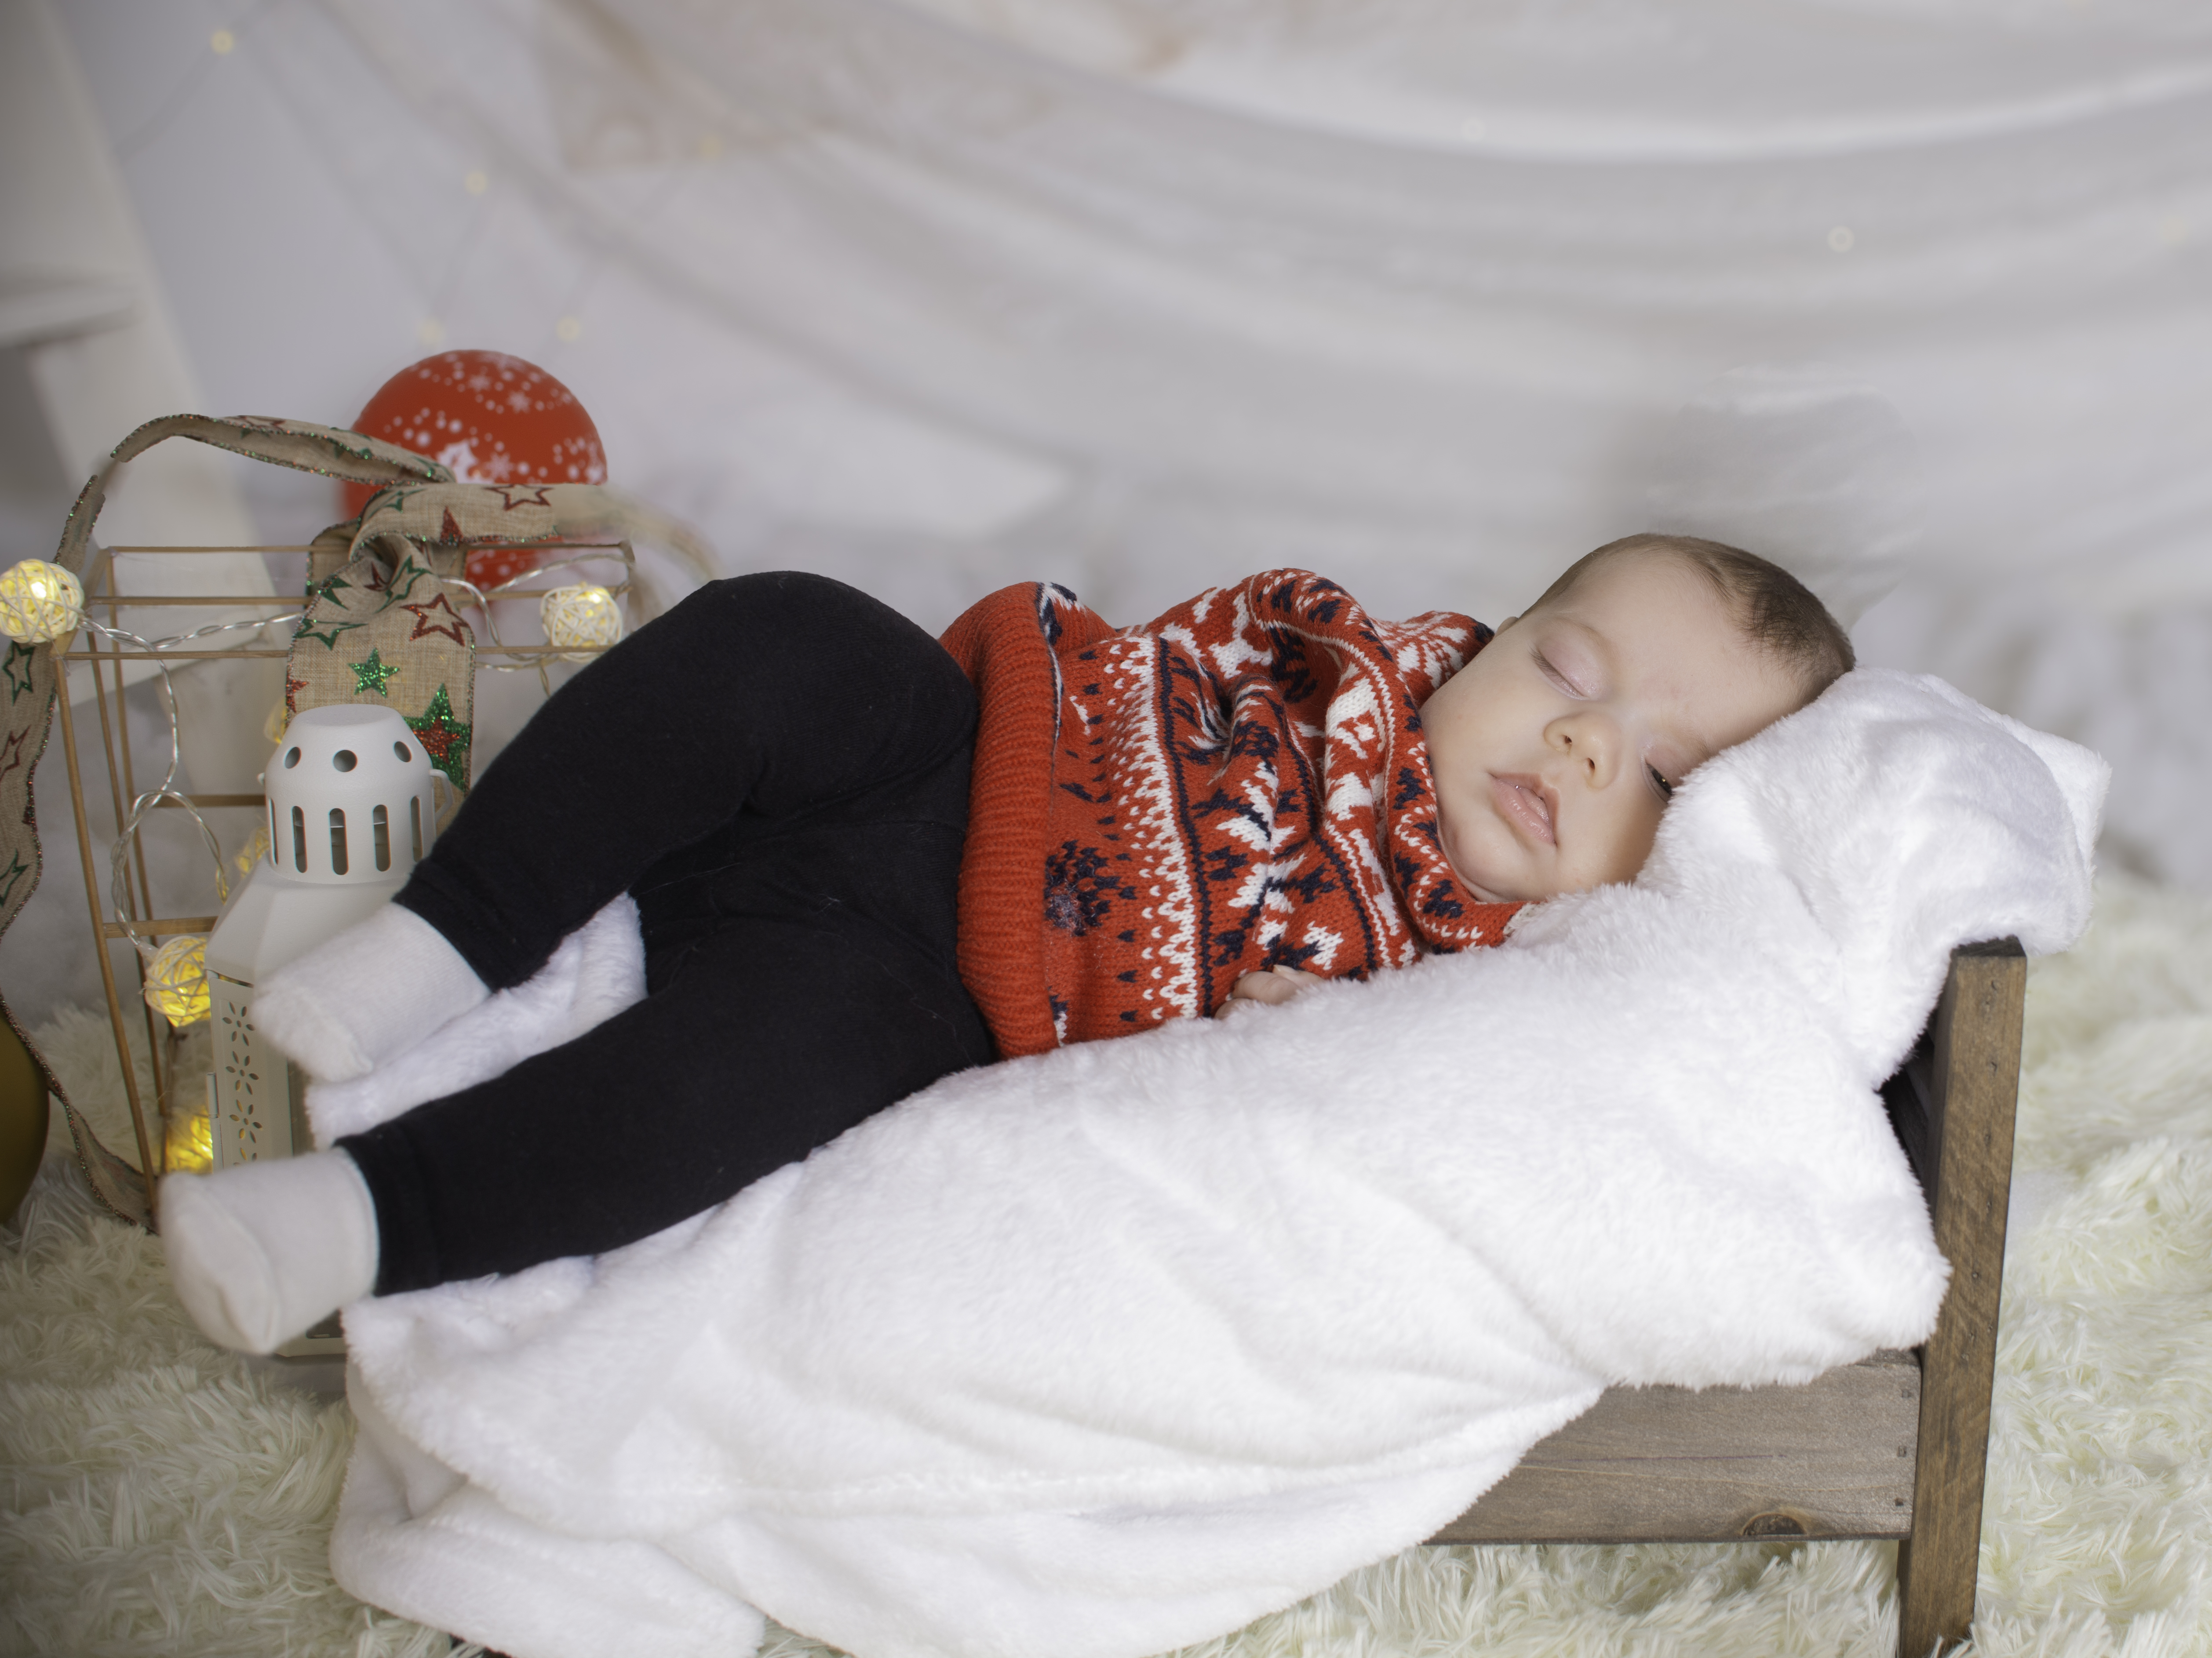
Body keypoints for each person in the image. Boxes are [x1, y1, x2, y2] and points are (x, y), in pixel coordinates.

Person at [158, 534, 1851, 1355]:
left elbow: (1374, 1139)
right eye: (1569, 671)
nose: (1579, 743)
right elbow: (1194, 647)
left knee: (722, 1100)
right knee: (780, 635)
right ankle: (442, 943)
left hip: (932, 996)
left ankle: (352, 1219)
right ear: (1489, 634)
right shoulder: (1346, 660)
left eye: (1657, 769)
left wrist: (1303, 1033)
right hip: (953, 745)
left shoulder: (1487, 983)